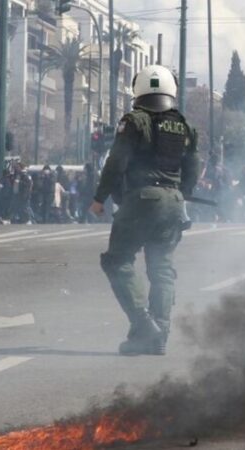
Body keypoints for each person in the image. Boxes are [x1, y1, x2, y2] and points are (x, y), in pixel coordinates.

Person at [90, 65, 201, 356]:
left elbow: (116, 162)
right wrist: (182, 193)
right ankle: (159, 335)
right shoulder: (184, 125)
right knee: (162, 269)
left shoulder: (134, 121)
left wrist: (100, 198)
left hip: (141, 199)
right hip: (174, 202)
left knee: (117, 261)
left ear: (138, 90)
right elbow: (194, 167)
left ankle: (144, 324)